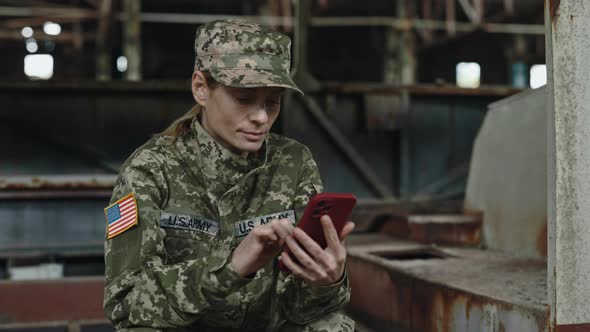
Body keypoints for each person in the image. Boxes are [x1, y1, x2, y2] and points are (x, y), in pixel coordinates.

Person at [103, 18, 355, 332]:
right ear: (200, 88)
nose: (261, 117)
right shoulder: (146, 171)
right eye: (244, 99)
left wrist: (327, 281)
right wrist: (232, 268)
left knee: (333, 325)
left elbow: (302, 308)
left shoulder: (294, 162)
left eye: (272, 102)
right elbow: (126, 304)